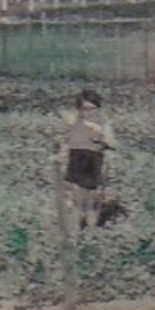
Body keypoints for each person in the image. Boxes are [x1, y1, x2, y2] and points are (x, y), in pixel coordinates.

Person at [57, 88, 114, 228]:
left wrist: (101, 137)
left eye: (93, 109)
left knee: (92, 201)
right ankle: (76, 231)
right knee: (76, 199)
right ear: (79, 109)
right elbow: (61, 114)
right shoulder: (75, 121)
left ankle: (91, 231)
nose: (89, 112)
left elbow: (113, 144)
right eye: (85, 109)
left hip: (93, 160)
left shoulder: (103, 124)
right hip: (76, 159)